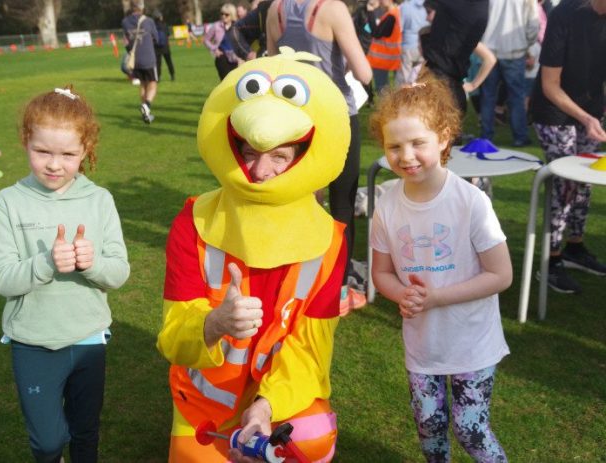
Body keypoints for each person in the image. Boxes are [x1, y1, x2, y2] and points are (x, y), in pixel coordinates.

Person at [158, 50, 351, 463]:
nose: (261, 171)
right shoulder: (193, 221)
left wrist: (266, 406)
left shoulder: (329, 239)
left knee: (314, 436)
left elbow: (309, 350)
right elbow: (173, 337)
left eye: (280, 156)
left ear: (303, 157)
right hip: (203, 408)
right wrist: (213, 323)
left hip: (275, 401)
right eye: (249, 153)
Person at [369, 75, 511, 462]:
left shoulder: (471, 202)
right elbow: (380, 273)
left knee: (470, 429)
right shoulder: (386, 205)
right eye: (394, 146)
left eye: (418, 143)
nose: (407, 155)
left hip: (472, 343)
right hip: (423, 345)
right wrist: (402, 294)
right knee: (429, 428)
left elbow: (501, 275)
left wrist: (436, 298)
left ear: (444, 137)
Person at [0, 86, 130, 462]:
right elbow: (2, 279)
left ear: (85, 151)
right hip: (33, 342)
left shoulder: (100, 200)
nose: (55, 164)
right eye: (43, 152)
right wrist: (46, 264)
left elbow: (118, 273)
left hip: (87, 338)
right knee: (49, 441)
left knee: (86, 433)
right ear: (25, 142)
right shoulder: (8, 202)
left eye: (68, 154)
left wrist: (92, 263)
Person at [266, 0, 373, 314]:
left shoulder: (276, 10)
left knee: (304, 201)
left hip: (295, 118)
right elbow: (364, 71)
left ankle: (300, 281)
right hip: (336, 115)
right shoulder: (333, 9)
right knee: (342, 203)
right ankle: (339, 288)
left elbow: (276, 68)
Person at [530, 0, 606, 294]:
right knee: (564, 185)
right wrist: (585, 118)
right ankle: (551, 260)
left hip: (591, 112)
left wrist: (594, 115)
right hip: (555, 112)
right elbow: (550, 84)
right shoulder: (565, 13)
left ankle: (575, 248)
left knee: (585, 182)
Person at [479, 0, 539, 147]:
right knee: (516, 97)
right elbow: (533, 24)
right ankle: (520, 137)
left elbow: (479, 17)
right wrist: (528, 44)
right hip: (515, 50)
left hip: (489, 50)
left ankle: (486, 136)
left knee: (488, 96)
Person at [420, 0, 489, 116]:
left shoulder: (458, 7)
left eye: (428, 12)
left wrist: (473, 85)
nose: (427, 18)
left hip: (441, 87)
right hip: (453, 88)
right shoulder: (479, 9)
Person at [122, 0, 159, 124]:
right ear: (142, 8)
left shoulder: (125, 22)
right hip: (149, 58)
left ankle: (146, 113)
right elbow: (156, 38)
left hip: (135, 60)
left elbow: (126, 41)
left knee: (143, 85)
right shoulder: (148, 21)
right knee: (152, 84)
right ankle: (147, 105)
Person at [366, 0, 402, 94]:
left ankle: (387, 108)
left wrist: (370, 11)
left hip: (381, 60)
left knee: (383, 91)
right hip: (394, 57)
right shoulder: (397, 12)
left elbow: (376, 33)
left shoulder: (391, 16)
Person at [204, 3, 241, 80]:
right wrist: (214, 49)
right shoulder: (216, 26)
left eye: (226, 14)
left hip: (237, 58)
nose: (223, 16)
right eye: (222, 14)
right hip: (222, 57)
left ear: (232, 15)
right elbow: (206, 40)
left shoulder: (238, 26)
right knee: (226, 80)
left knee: (236, 81)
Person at [396, 0, 427, 86]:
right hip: (424, 46)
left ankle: (405, 98)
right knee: (421, 77)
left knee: (405, 79)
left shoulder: (405, 6)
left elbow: (400, 27)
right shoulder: (428, 4)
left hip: (408, 45)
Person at [152, 10, 176, 81]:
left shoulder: (153, 26)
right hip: (165, 47)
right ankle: (172, 75)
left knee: (158, 63)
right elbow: (168, 35)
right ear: (160, 17)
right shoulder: (164, 25)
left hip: (156, 47)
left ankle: (158, 77)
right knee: (169, 61)